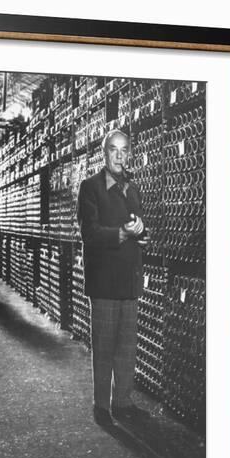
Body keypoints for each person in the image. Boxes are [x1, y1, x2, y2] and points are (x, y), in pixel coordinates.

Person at [77, 129, 150, 427]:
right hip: (105, 281)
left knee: (126, 348)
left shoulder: (132, 187)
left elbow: (138, 226)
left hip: (129, 280)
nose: (119, 156)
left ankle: (123, 402)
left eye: (124, 150)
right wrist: (123, 233)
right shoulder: (90, 187)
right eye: (113, 150)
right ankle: (101, 407)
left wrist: (142, 232)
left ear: (129, 152)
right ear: (104, 152)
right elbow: (89, 233)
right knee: (104, 346)